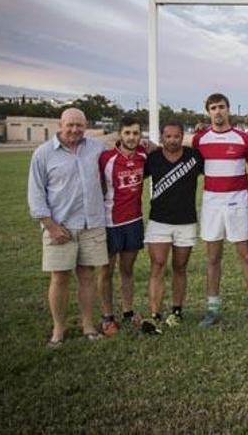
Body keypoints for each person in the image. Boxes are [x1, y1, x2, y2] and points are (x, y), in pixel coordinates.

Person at [27, 107, 107, 347]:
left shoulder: (96, 148)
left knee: (88, 276)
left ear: (86, 126)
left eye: (79, 125)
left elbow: (124, 147)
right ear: (60, 125)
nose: (74, 129)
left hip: (91, 224)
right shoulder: (43, 154)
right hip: (60, 227)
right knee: (59, 278)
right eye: (70, 125)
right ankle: (59, 329)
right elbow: (35, 193)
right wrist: (50, 226)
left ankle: (88, 325)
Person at [192, 93, 248, 327]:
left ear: (228, 109)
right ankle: (212, 310)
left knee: (246, 256)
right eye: (213, 108)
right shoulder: (200, 139)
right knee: (213, 258)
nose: (218, 111)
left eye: (221, 107)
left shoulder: (243, 138)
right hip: (212, 203)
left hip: (237, 203)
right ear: (208, 112)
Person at [144, 120, 204, 329]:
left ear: (182, 136)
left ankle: (177, 311)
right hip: (159, 221)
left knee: (180, 267)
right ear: (162, 138)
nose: (172, 140)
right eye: (168, 136)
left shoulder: (193, 157)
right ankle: (155, 313)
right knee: (158, 265)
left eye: (176, 136)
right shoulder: (152, 158)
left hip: (186, 222)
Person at [97, 117, 149, 335]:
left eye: (135, 133)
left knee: (127, 270)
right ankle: (108, 317)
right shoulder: (106, 159)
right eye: (127, 133)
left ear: (140, 135)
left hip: (134, 221)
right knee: (106, 271)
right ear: (120, 134)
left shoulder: (144, 156)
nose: (131, 137)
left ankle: (128, 312)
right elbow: (97, 187)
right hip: (110, 222)